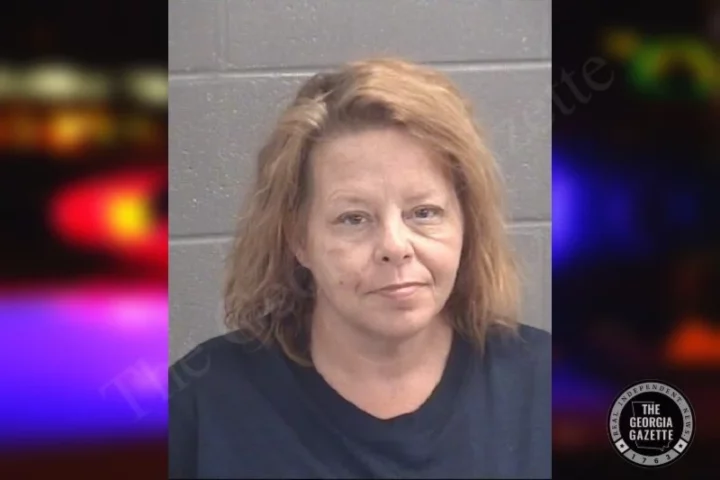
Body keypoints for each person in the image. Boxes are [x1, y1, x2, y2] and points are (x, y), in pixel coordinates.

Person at [169, 57, 551, 479]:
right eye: (353, 218)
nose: (395, 246)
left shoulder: (547, 385)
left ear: (466, 224)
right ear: (299, 240)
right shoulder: (199, 404)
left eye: (424, 212)